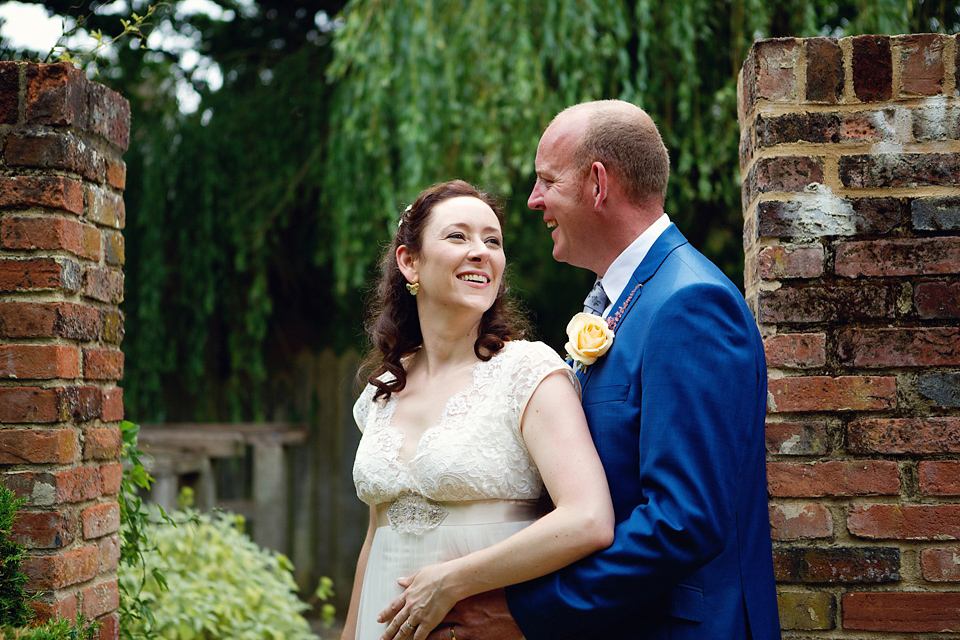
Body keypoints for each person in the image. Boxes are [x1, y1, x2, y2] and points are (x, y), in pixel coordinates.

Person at [425, 101, 782, 639]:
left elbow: (682, 522)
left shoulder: (690, 304)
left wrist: (527, 611)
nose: (533, 200)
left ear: (597, 184)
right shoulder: (626, 300)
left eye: (547, 180)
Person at [341, 179, 615, 640]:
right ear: (410, 262)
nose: (480, 251)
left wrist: (451, 581)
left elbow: (588, 519)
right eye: (458, 236)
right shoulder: (381, 392)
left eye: (493, 241)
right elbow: (375, 535)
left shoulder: (528, 372)